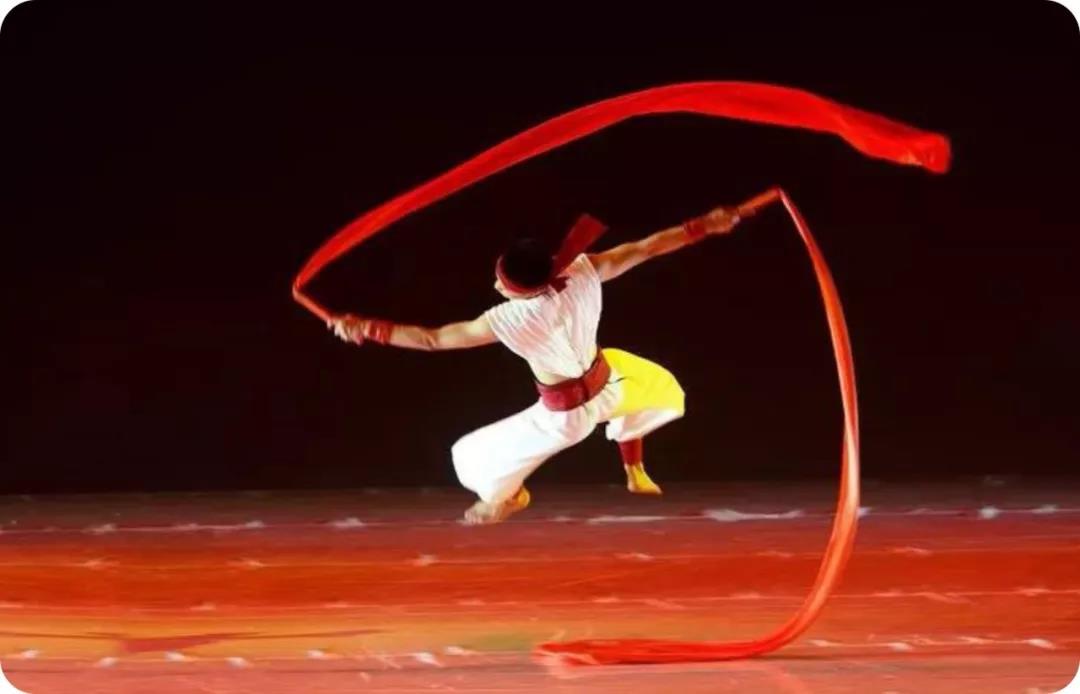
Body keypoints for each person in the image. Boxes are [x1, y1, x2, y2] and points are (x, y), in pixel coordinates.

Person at [329, 205, 742, 524]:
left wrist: (366, 328)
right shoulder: (582, 271)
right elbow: (647, 247)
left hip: (567, 416)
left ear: (519, 290)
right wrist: (705, 225)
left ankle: (504, 498)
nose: (496, 285)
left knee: (470, 455)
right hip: (608, 383)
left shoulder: (513, 319)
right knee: (655, 386)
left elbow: (432, 339)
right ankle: (629, 466)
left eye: (502, 283)